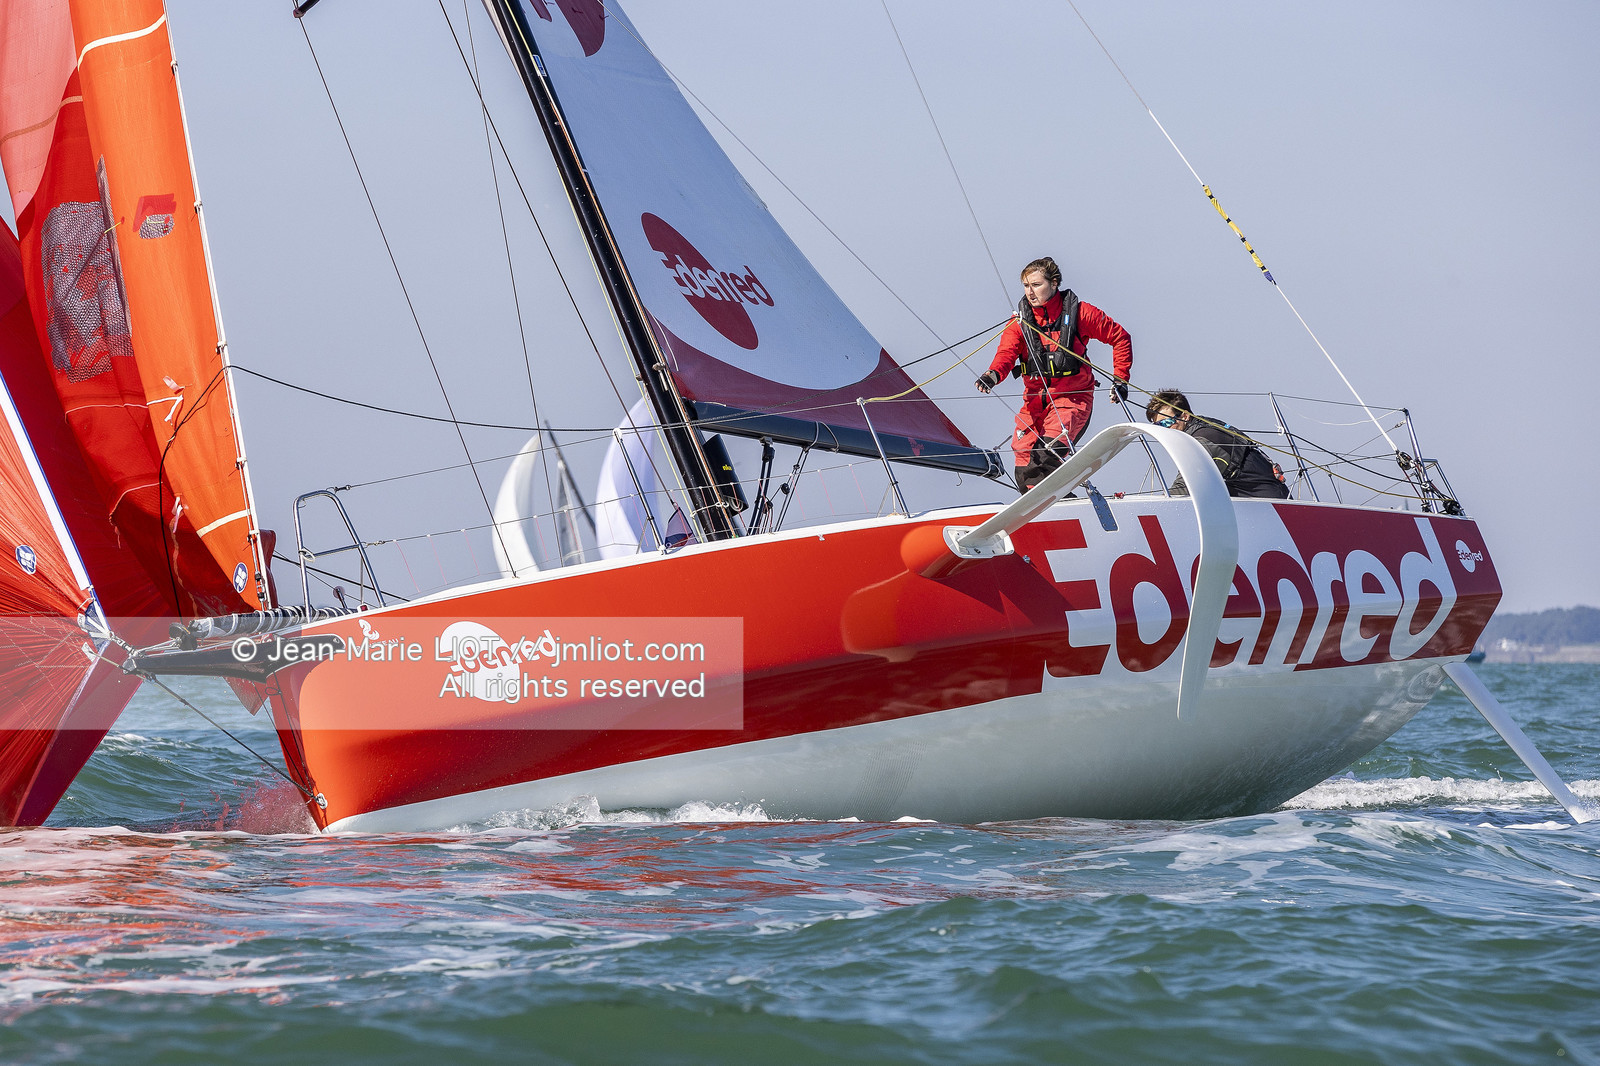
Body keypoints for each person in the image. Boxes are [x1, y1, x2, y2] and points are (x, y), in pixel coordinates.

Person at [975, 257, 1132, 491]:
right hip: (1035, 401)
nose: (1030, 292)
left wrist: (1120, 379)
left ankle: (1068, 510)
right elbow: (1006, 353)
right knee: (1024, 465)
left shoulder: (1080, 312)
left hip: (1072, 399)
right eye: (1026, 286)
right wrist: (992, 375)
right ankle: (1054, 513)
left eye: (1036, 285)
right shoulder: (1019, 321)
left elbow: (1120, 337)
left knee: (1046, 456)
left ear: (1054, 283)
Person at [1145, 389, 1290, 499]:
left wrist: (1154, 502)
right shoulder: (1199, 427)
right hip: (1251, 503)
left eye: (1166, 423)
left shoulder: (1202, 440)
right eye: (1158, 426)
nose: (1163, 430)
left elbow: (1186, 486)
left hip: (1272, 506)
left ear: (1184, 416)